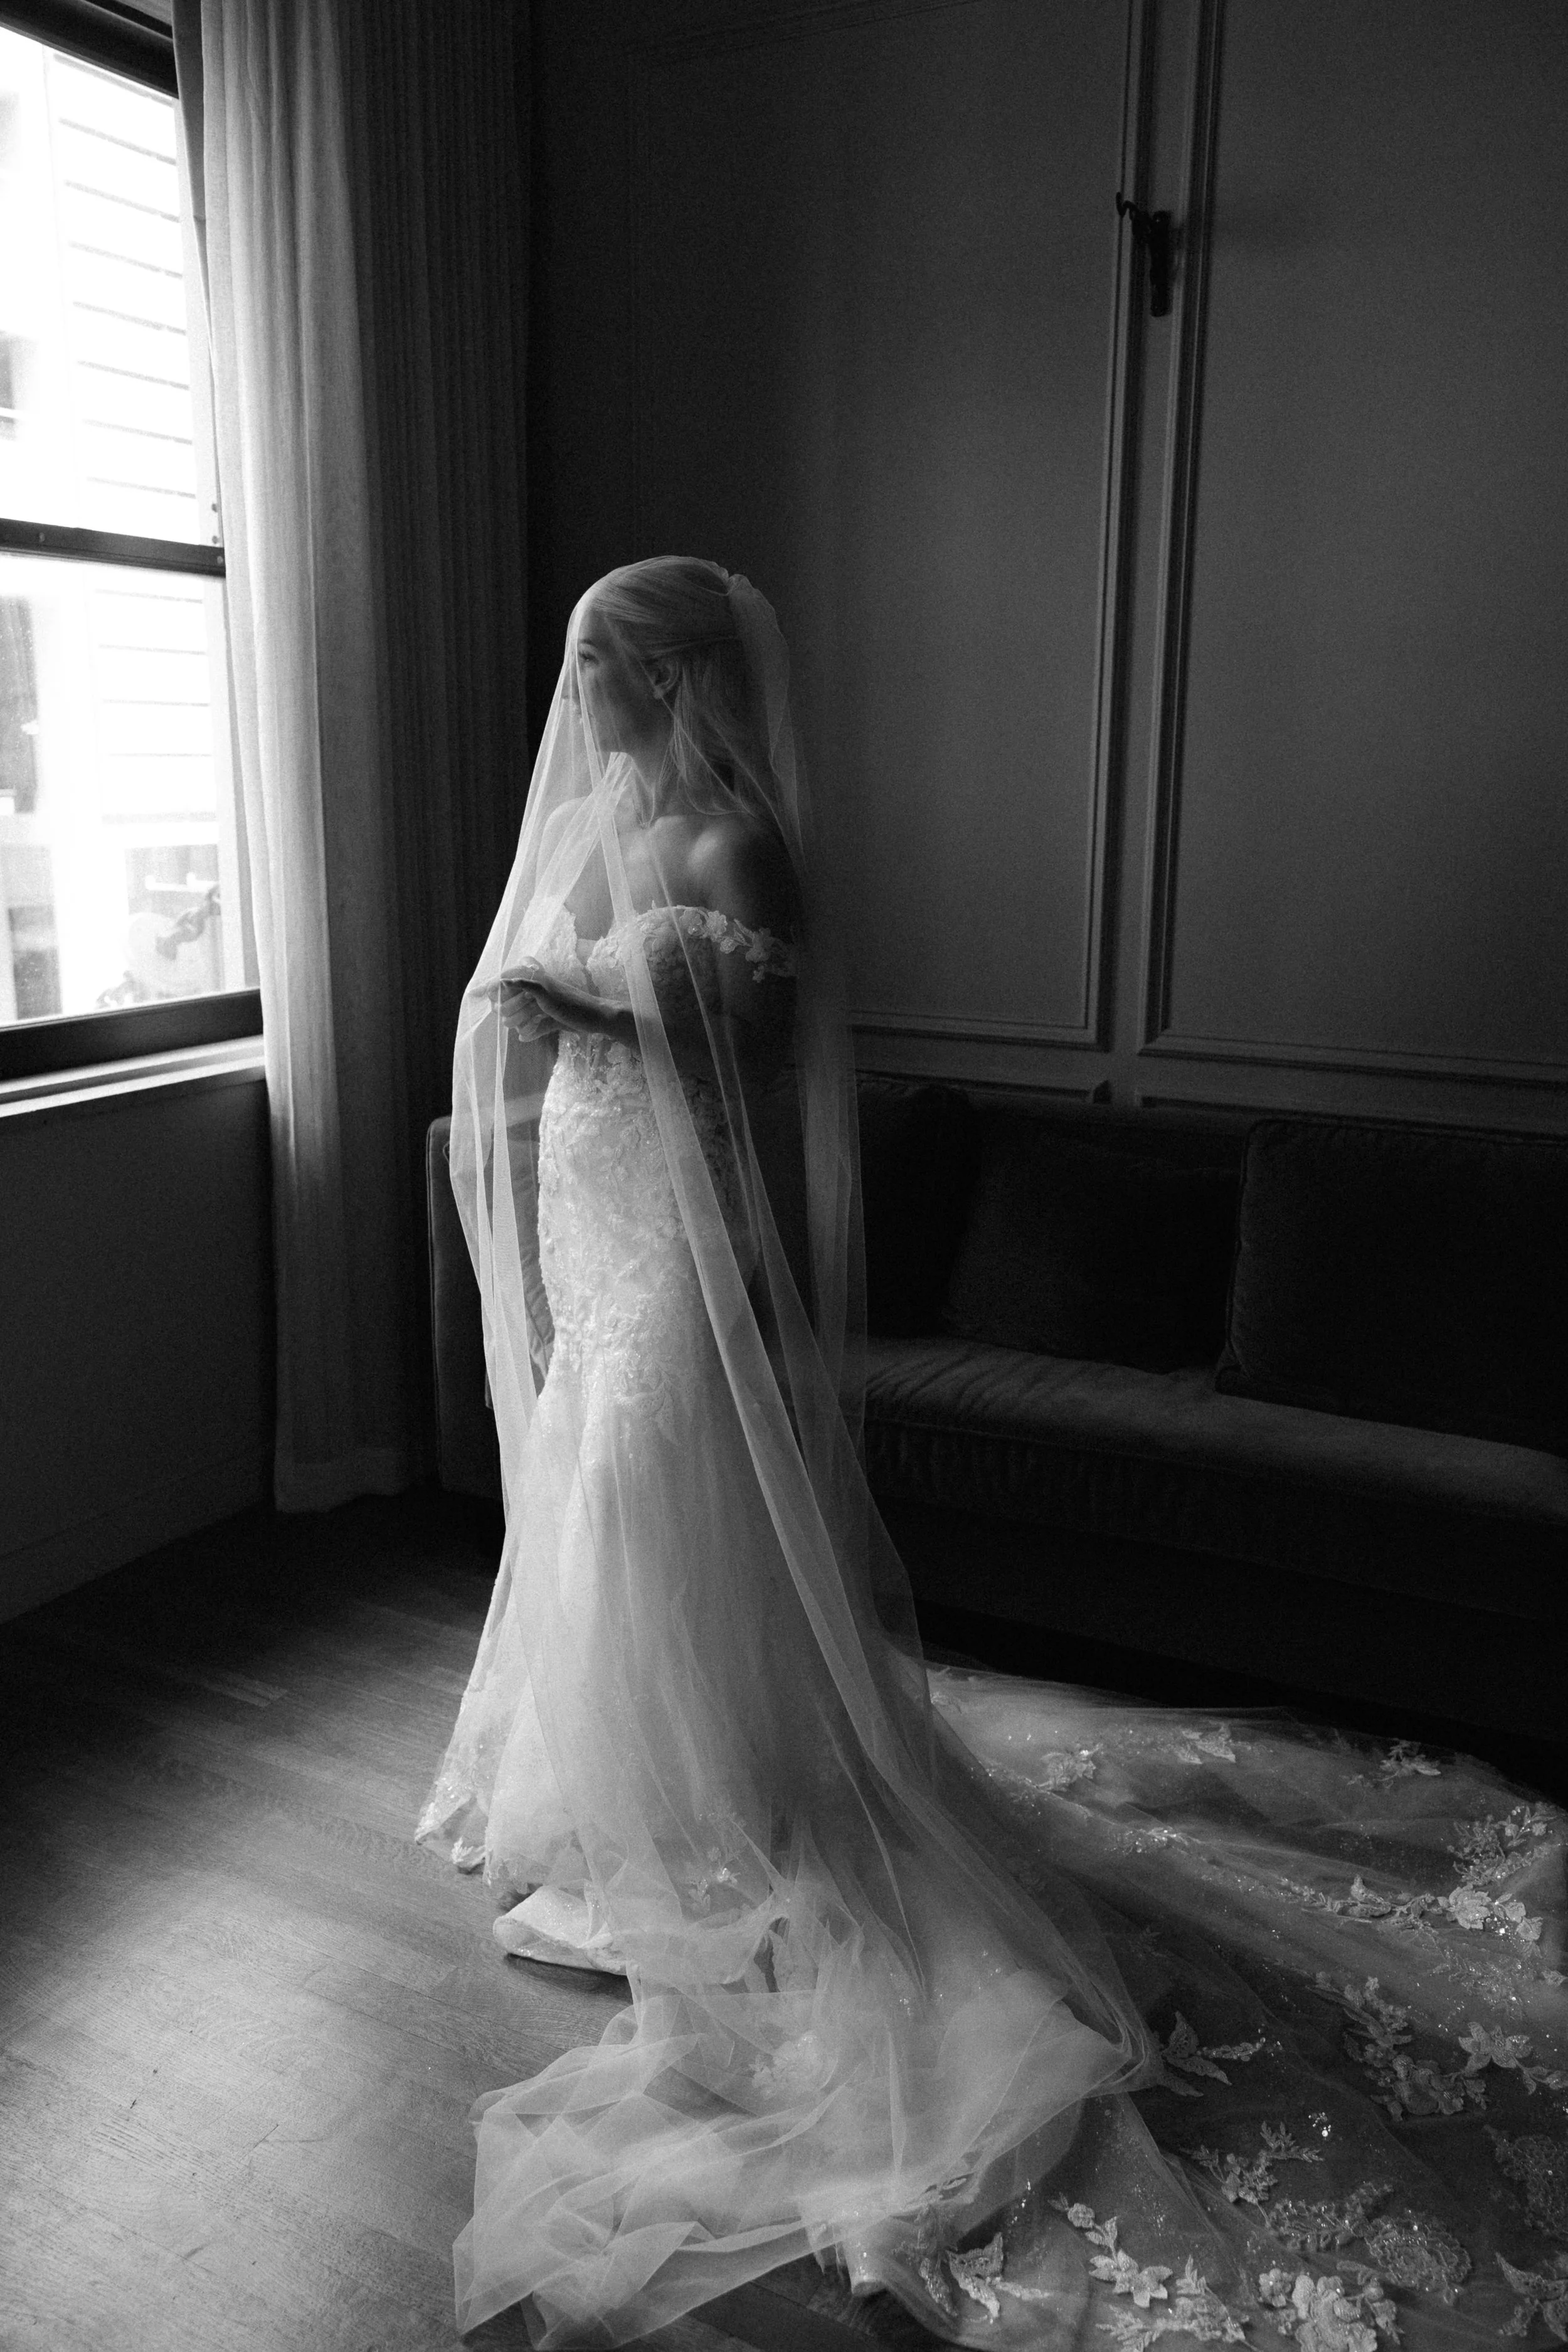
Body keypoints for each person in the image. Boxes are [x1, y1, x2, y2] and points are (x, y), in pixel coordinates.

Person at [420, 559, 1567, 2352]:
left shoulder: (742, 848)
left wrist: (590, 1017)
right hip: (592, 1194)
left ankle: (744, 1802)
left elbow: (749, 1061)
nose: (581, 708)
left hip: (675, 1226)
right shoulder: (601, 836)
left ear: (672, 681)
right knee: (594, 1494)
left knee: (656, 1493)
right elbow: (579, 1019)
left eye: (601, 676)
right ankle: (652, 1790)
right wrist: (552, 1052)